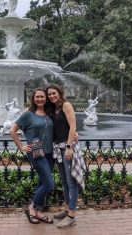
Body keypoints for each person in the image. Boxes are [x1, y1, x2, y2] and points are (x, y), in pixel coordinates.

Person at [9, 88, 54, 224]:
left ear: (45, 98)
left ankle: (38, 211)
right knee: (49, 184)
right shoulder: (28, 114)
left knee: (42, 182)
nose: (40, 99)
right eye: (37, 97)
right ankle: (32, 206)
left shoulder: (49, 113)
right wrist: (21, 146)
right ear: (33, 99)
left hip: (50, 153)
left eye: (42, 96)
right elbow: (12, 130)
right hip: (36, 153)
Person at [46, 84, 86, 228]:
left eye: (54, 93)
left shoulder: (66, 105)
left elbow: (73, 126)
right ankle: (67, 209)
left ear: (59, 93)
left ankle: (72, 215)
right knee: (64, 181)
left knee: (71, 182)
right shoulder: (52, 108)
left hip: (67, 147)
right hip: (58, 147)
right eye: (49, 94)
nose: (51, 96)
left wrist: (69, 147)